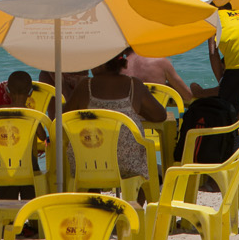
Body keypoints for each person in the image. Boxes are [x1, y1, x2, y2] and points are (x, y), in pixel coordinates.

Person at [66, 52, 167, 184]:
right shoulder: (134, 85)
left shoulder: (86, 86)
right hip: (129, 162)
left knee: (86, 146)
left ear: (101, 64)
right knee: (142, 177)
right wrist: (138, 111)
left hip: (88, 162)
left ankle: (91, 192)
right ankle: (136, 202)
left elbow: (64, 118)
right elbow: (160, 116)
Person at [124, 48, 205, 101]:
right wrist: (165, 88)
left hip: (124, 121)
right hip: (154, 120)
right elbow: (187, 95)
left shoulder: (118, 67)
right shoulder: (161, 62)